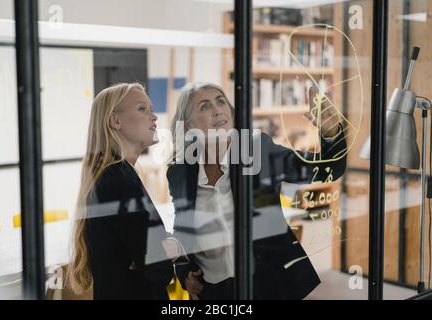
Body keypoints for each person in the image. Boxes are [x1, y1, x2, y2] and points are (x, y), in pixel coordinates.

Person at [166, 82, 347, 300]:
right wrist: (184, 273)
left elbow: (328, 169)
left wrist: (330, 133)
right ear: (188, 125)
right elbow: (182, 228)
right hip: (214, 291)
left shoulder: (256, 148)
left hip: (267, 284)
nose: (218, 110)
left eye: (221, 101)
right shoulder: (180, 172)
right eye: (204, 106)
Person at [67, 83, 173, 300]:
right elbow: (158, 267)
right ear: (115, 121)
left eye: (151, 109)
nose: (154, 117)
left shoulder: (116, 175)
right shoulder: (118, 181)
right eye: (142, 109)